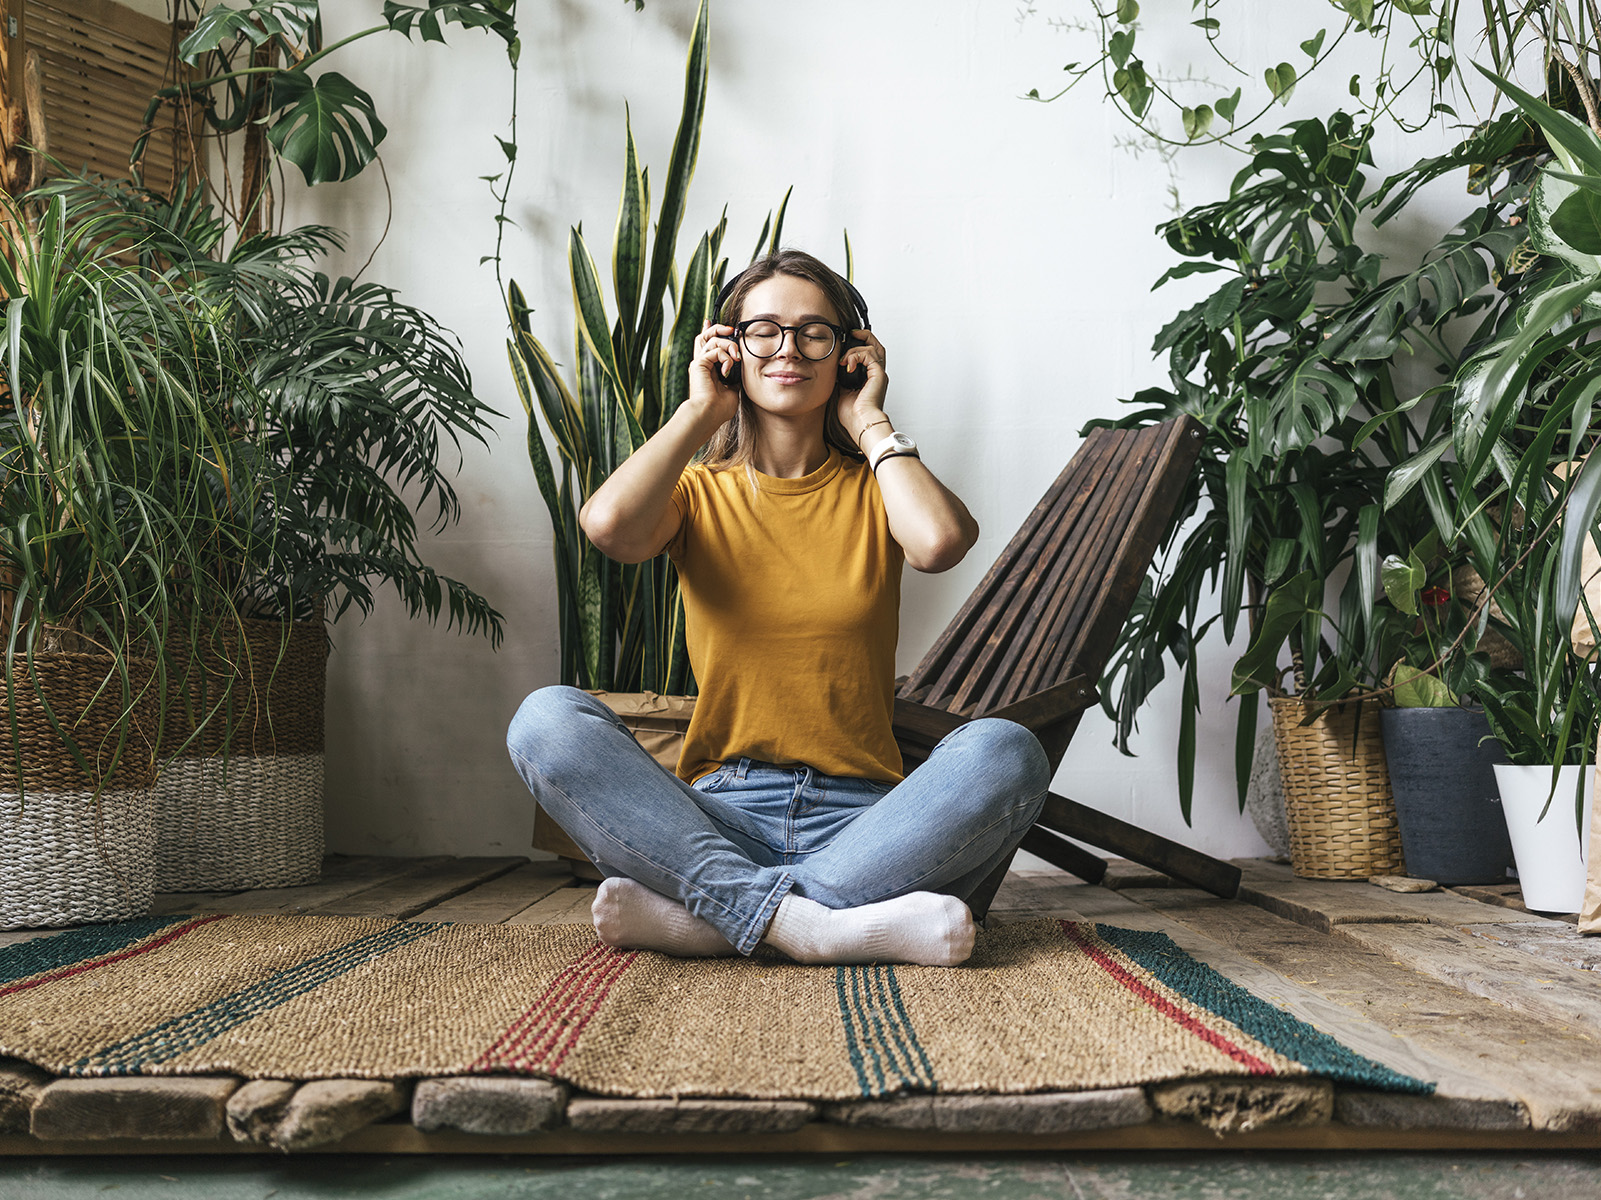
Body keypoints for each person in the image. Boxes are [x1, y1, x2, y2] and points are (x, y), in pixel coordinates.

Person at [506, 249, 1049, 966]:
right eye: (762, 330)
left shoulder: (878, 486)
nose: (787, 348)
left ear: (849, 353)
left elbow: (940, 542)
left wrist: (871, 421)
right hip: (718, 815)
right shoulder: (698, 494)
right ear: (728, 350)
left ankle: (714, 917)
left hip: (872, 823)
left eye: (813, 332)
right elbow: (608, 527)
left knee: (1004, 750)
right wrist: (700, 411)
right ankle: (820, 928)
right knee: (545, 718)